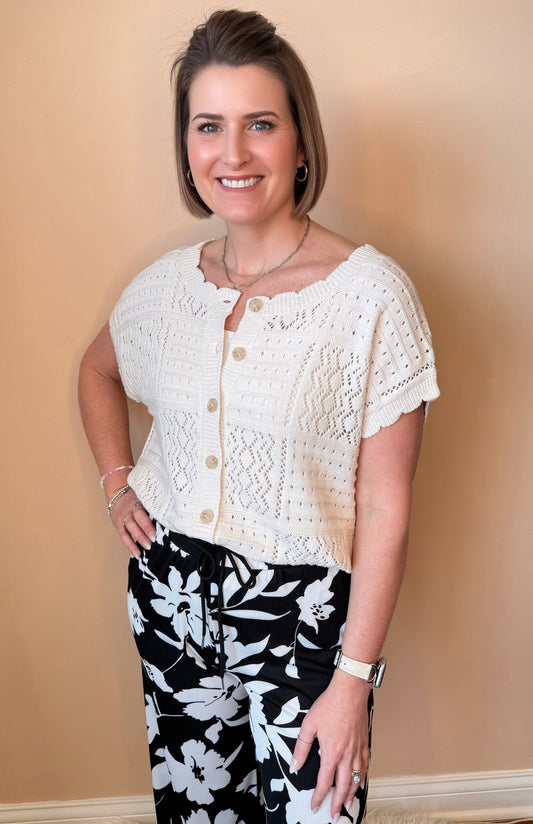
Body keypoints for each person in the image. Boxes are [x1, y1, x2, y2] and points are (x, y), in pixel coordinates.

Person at [78, 9, 439, 824]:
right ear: (186, 147)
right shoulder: (165, 288)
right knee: (198, 812)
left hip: (306, 617)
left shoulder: (369, 297)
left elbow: (386, 507)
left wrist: (353, 680)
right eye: (208, 126)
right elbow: (97, 369)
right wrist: (117, 482)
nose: (232, 154)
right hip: (168, 594)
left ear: (300, 142)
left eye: (260, 124)